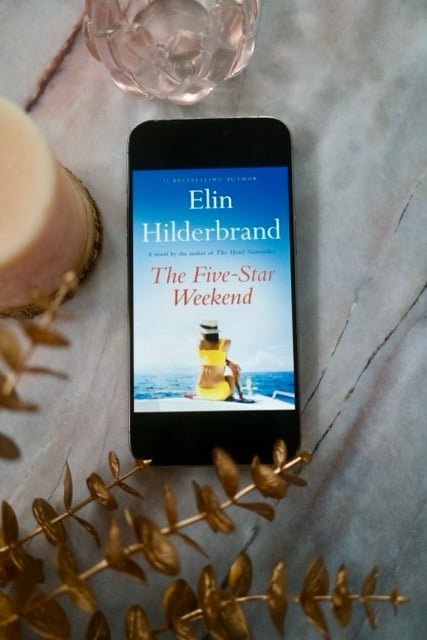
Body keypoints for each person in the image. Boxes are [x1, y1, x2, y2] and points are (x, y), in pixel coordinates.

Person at [195, 320, 243, 401]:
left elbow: (212, 359)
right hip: (218, 393)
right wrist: (233, 365)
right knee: (230, 376)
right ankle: (239, 394)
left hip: (200, 392)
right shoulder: (226, 342)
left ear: (202, 332)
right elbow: (222, 359)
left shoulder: (199, 344)